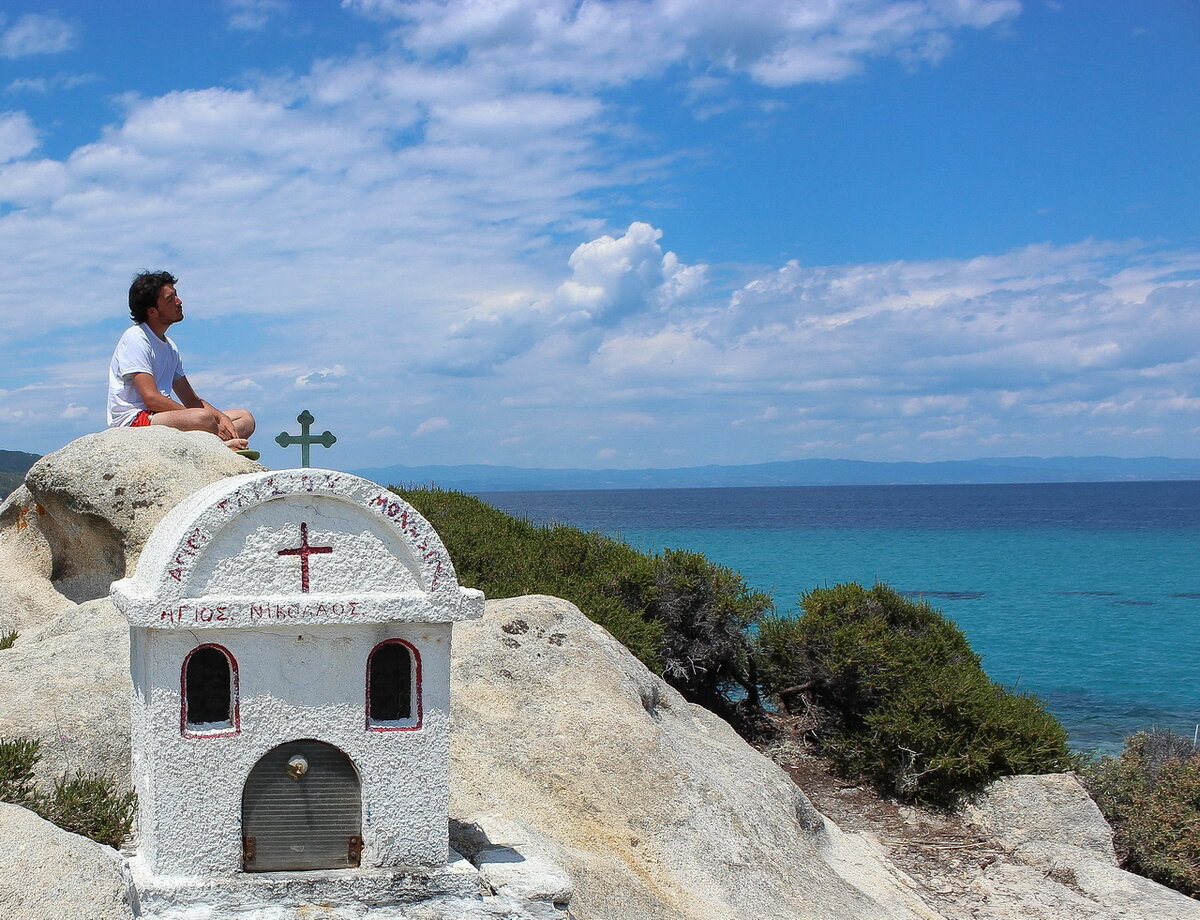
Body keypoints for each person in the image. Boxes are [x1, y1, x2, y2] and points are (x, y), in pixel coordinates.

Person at [107, 271, 257, 454]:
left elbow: (191, 399)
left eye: (176, 295)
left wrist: (220, 417)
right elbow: (151, 398)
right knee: (203, 418)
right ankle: (219, 445)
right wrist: (203, 419)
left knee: (245, 418)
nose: (179, 302)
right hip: (136, 421)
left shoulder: (170, 346)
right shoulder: (136, 338)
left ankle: (217, 442)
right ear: (152, 310)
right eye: (171, 299)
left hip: (163, 417)